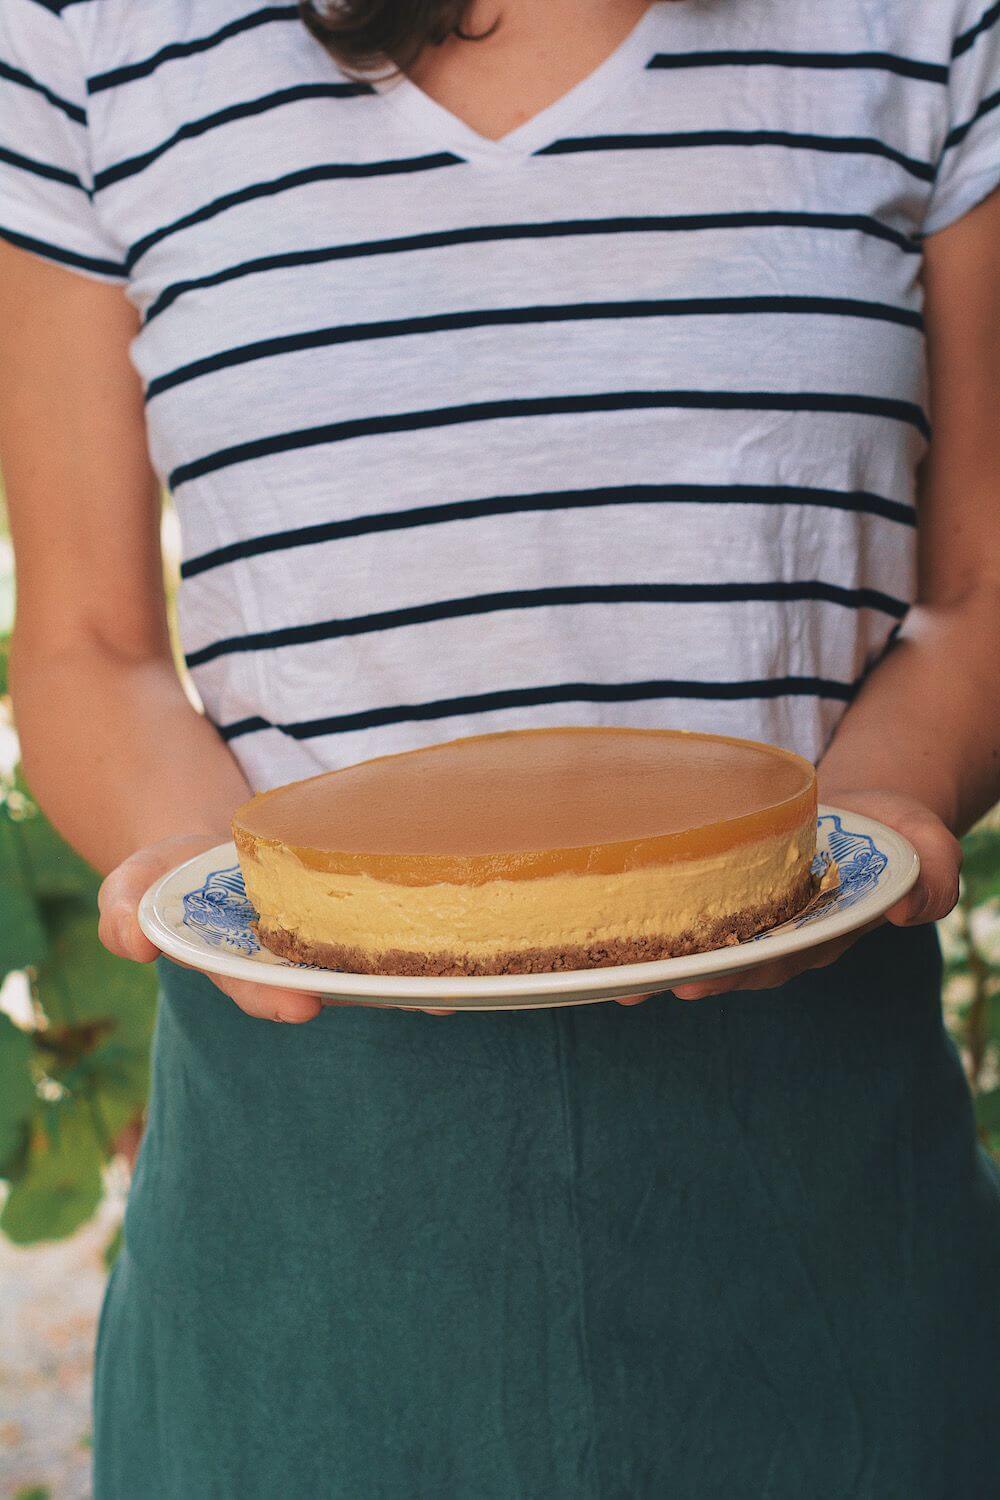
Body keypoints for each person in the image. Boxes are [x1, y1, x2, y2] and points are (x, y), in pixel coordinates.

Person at [1, 0, 998, 1494]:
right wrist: (231, 882)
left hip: (819, 1190)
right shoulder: (86, 32)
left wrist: (866, 811)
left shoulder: (932, 18)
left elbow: (982, 591)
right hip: (310, 1221)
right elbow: (88, 646)